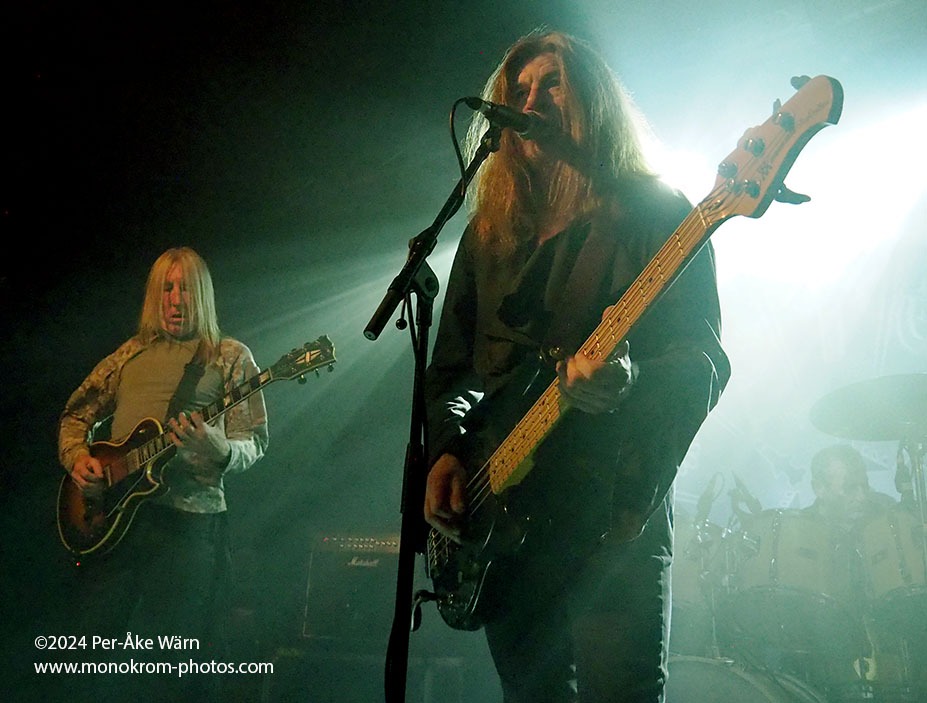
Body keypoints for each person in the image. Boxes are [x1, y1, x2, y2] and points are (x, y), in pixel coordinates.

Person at [423, 29, 729, 702]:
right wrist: (446, 450)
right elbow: (453, 370)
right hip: (505, 518)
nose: (532, 100)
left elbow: (704, 359)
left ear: (594, 101)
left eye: (553, 83)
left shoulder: (656, 213)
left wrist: (629, 383)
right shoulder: (489, 234)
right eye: (519, 89)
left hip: (610, 509)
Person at [57, 246, 269, 702]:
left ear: (202, 295)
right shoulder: (129, 354)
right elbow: (75, 415)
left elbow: (254, 441)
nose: (175, 299)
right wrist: (78, 459)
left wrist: (221, 450)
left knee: (172, 664)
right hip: (113, 522)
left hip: (189, 526)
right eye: (166, 289)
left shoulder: (231, 356)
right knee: (87, 653)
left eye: (185, 289)